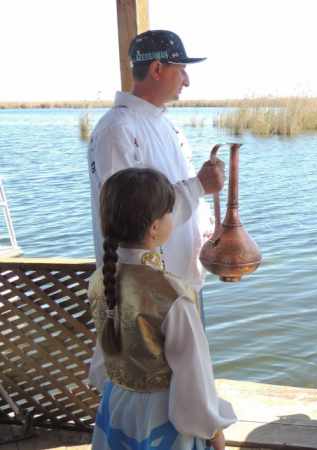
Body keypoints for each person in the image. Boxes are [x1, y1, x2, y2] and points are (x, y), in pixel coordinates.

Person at [88, 168, 236, 450]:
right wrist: (213, 430)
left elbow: (103, 355)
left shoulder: (99, 280)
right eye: (170, 212)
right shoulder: (173, 295)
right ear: (155, 227)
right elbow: (193, 375)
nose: (173, 218)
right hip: (163, 415)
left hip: (118, 403)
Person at [87, 30, 224, 323]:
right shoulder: (117, 129)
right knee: (133, 369)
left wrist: (209, 232)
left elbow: (171, 199)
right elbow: (129, 218)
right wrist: (199, 185)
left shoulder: (167, 127)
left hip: (179, 285)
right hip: (141, 298)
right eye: (182, 70)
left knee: (188, 368)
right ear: (157, 69)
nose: (187, 80)